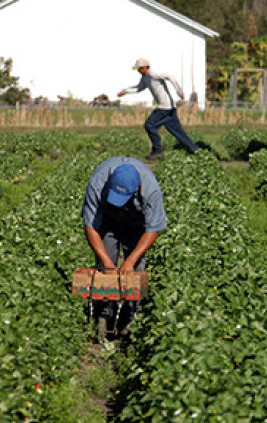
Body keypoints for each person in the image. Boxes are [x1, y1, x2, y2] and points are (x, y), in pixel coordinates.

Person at [82, 157, 166, 337]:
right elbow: (90, 226)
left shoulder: (151, 190)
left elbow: (152, 230)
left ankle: (130, 314)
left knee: (134, 270)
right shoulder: (97, 183)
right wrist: (107, 263)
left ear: (136, 189)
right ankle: (105, 312)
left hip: (136, 223)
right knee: (106, 267)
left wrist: (130, 261)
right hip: (108, 221)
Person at [117, 58, 199, 160]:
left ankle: (157, 151)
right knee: (177, 131)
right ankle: (195, 150)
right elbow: (138, 88)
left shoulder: (153, 75)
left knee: (149, 125)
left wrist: (179, 91)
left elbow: (170, 76)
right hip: (170, 108)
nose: (139, 71)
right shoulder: (145, 78)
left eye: (140, 69)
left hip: (164, 107)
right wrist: (124, 91)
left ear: (146, 67)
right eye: (138, 69)